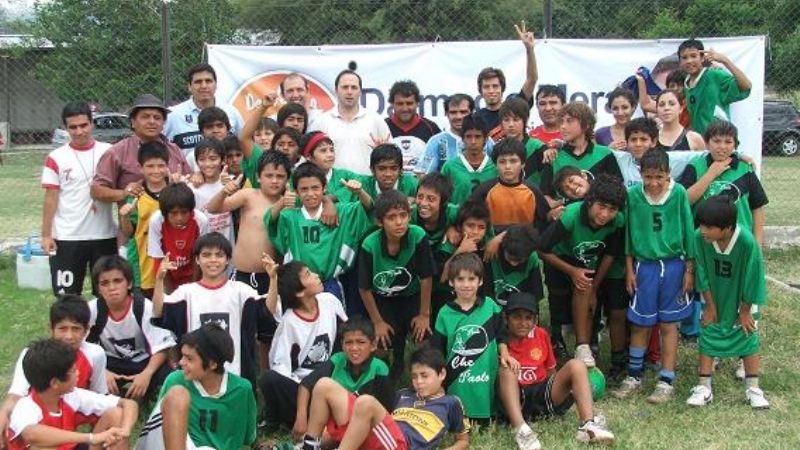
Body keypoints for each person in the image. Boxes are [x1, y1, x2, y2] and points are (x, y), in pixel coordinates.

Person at [614, 148, 696, 403]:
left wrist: (689, 269)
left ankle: (666, 379)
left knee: (669, 325)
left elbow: (688, 231)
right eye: (648, 177)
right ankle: (634, 375)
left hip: (673, 265)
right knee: (641, 323)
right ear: (640, 174)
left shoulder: (678, 193)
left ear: (668, 174)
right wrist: (629, 269)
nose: (654, 182)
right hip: (645, 266)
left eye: (659, 177)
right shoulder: (634, 196)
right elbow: (628, 235)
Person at [151, 232, 273, 385]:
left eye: (219, 255)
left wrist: (273, 279)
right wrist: (159, 280)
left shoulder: (242, 291)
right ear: (197, 259)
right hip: (195, 380)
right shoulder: (186, 293)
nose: (213, 260)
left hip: (235, 377)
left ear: (228, 260)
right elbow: (159, 312)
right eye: (206, 255)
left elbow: (268, 311)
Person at [497, 293, 615, 450]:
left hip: (540, 394)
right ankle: (521, 430)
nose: (523, 323)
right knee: (507, 369)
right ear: (506, 319)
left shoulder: (541, 334)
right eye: (517, 317)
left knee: (577, 365)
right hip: (514, 398)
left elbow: (551, 372)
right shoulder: (499, 340)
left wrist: (566, 392)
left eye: (528, 318)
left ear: (536, 320)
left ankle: (588, 424)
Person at [685, 196, 769, 409]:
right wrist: (711, 307)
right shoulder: (699, 238)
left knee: (748, 336)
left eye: (709, 227)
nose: (703, 231)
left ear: (727, 228)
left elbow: (753, 278)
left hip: (742, 298)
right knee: (708, 332)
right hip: (714, 294)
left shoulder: (747, 242)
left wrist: (745, 311)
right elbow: (702, 272)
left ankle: (753, 389)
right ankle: (704, 387)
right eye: (701, 225)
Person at [299, 346, 470, 450]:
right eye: (414, 376)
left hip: (401, 445)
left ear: (442, 374)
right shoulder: (403, 394)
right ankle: (309, 446)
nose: (418, 382)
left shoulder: (451, 402)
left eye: (424, 376)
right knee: (324, 385)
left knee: (366, 402)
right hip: (376, 436)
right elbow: (367, 419)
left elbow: (463, 441)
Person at [536, 174, 627, 368]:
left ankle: (586, 344)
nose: (605, 214)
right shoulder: (571, 215)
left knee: (587, 289)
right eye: (601, 206)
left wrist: (595, 286)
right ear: (590, 201)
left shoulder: (618, 221)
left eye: (612, 209)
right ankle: (567, 342)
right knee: (561, 298)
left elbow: (610, 254)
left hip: (590, 260)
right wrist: (572, 271)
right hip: (560, 258)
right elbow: (542, 249)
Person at [0, 295, 109, 442]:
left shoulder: (95, 354)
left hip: (74, 409)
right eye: (62, 329)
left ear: (86, 330)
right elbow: (15, 395)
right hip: (39, 418)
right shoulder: (34, 355)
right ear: (51, 329)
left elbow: (99, 393)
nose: (69, 336)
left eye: (76, 329)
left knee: (114, 414)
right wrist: (2, 414)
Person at [135, 324, 257, 450]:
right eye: (182, 356)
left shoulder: (241, 390)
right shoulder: (176, 380)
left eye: (189, 359)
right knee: (178, 394)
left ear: (212, 364)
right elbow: (158, 424)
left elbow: (248, 438)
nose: (181, 362)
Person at [260, 260, 348, 432]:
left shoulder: (330, 301)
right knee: (269, 379)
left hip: (331, 380)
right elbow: (281, 369)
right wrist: (305, 391)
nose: (316, 276)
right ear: (299, 292)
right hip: (301, 387)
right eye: (308, 274)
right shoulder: (289, 323)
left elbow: (348, 333)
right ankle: (277, 419)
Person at [267, 162, 374, 301]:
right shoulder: (289, 217)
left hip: (330, 283)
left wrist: (360, 192)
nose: (310, 194)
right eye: (304, 189)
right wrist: (282, 201)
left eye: (315, 188)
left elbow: (368, 209)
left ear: (325, 188)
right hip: (299, 286)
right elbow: (270, 221)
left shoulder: (341, 212)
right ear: (296, 192)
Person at [6, 339, 138, 450]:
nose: (78, 373)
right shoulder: (25, 406)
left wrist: (125, 431)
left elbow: (128, 403)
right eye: (73, 371)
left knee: (117, 415)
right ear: (55, 383)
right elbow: (31, 434)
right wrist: (92, 438)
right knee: (40, 447)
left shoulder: (72, 396)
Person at [41, 101, 116, 295]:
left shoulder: (109, 152)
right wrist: (46, 235)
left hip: (104, 235)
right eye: (73, 127)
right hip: (67, 237)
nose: (79, 131)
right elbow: (51, 198)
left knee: (107, 296)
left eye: (83, 125)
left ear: (92, 124)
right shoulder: (56, 157)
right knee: (66, 296)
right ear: (65, 128)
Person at [358, 190, 434, 378]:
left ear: (410, 216)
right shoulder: (369, 244)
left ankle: (422, 377)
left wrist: (424, 314)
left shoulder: (418, 236)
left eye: (403, 215)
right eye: (391, 217)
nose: (399, 222)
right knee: (380, 344)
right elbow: (364, 288)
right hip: (382, 299)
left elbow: (426, 277)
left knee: (423, 339)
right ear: (380, 222)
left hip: (412, 296)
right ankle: (384, 379)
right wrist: (377, 322)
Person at [86, 256, 175, 400]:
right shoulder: (91, 310)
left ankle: (150, 397)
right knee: (82, 374)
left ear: (129, 283)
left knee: (170, 380)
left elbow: (162, 347)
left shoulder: (144, 307)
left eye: (117, 281)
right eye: (105, 283)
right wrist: (102, 372)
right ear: (98, 288)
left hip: (143, 361)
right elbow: (82, 348)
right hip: (110, 362)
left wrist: (146, 375)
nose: (112, 288)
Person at [432, 252, 508, 421]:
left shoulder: (490, 306)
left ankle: (489, 413)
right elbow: (437, 351)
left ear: (480, 281)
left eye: (471, 279)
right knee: (460, 417)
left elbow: (502, 335)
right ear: (451, 282)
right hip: (457, 380)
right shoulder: (445, 313)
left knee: (486, 419)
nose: (466, 284)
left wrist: (505, 353)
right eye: (460, 279)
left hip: (486, 378)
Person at [293, 318, 394, 441]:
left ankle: (310, 442)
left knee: (324, 436)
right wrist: (301, 418)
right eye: (349, 342)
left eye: (361, 342)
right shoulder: (337, 360)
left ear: (373, 345)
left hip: (363, 425)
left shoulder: (379, 369)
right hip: (332, 420)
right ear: (342, 345)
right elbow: (306, 384)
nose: (354, 348)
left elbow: (387, 410)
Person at [206, 150, 290, 296]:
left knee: (270, 311)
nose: (274, 181)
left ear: (287, 179)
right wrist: (224, 191)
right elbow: (213, 208)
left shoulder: (289, 204)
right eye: (269, 175)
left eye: (280, 176)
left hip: (273, 276)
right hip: (242, 274)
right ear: (258, 176)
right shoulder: (249, 195)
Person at [680, 120, 768, 246]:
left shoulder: (745, 169)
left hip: (739, 242)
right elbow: (684, 200)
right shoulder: (695, 166)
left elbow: (757, 207)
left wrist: (757, 243)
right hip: (703, 242)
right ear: (707, 143)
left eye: (728, 142)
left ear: (735, 145)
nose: (722, 146)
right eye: (717, 141)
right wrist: (710, 174)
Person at [91, 94, 191, 205]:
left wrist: (184, 181)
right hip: (134, 215)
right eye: (145, 117)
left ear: (163, 123)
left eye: (157, 118)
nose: (152, 121)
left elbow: (190, 179)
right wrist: (124, 193)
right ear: (133, 122)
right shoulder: (117, 153)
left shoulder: (174, 150)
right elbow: (96, 191)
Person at [537, 102, 623, 204]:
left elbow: (618, 189)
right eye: (561, 122)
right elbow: (545, 194)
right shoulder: (554, 156)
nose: (563, 126)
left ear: (586, 125)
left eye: (569, 121)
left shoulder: (605, 154)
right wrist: (556, 207)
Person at [310, 70, 392, 175]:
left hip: (367, 182)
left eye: (354, 87)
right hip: (333, 183)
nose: (349, 92)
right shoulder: (321, 121)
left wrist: (383, 152)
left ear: (360, 91)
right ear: (336, 90)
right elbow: (310, 157)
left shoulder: (375, 120)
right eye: (345, 87)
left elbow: (392, 156)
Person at [117, 142, 170, 295]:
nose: (156, 171)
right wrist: (124, 217)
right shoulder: (136, 196)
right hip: (143, 265)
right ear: (140, 168)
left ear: (167, 166)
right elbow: (129, 233)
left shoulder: (176, 191)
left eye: (161, 166)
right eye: (150, 166)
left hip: (172, 263)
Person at [164, 63, 244, 166]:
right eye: (198, 82)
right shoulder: (173, 115)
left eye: (208, 81)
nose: (204, 86)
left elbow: (244, 143)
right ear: (189, 87)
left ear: (216, 85)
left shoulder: (232, 112)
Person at [474, 21, 538, 138]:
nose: (491, 90)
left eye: (495, 86)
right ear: (480, 91)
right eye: (486, 87)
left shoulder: (515, 106)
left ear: (502, 88)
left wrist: (529, 50)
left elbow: (532, 79)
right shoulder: (475, 118)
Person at [470, 139, 549, 234]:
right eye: (502, 162)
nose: (507, 166)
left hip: (525, 241)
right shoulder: (484, 191)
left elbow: (543, 224)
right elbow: (471, 219)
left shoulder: (533, 191)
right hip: (492, 241)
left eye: (513, 161)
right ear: (496, 165)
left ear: (523, 164)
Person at [677, 39, 751, 135]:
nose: (689, 61)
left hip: (720, 138)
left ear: (702, 58)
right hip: (700, 141)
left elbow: (746, 86)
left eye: (693, 56)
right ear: (680, 62)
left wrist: (725, 61)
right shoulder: (687, 83)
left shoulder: (714, 75)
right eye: (684, 57)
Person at [147, 183, 210, 291]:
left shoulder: (201, 220)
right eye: (173, 213)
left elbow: (200, 257)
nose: (179, 218)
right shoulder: (156, 221)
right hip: (167, 276)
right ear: (165, 213)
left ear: (191, 210)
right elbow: (159, 259)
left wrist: (193, 288)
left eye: (184, 212)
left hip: (194, 274)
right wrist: (172, 294)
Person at [415, 93, 493, 175]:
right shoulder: (436, 141)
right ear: (446, 114)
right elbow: (422, 174)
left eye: (463, 112)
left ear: (472, 112)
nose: (458, 117)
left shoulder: (487, 141)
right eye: (453, 112)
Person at [385, 80, 441, 173]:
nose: (405, 108)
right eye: (400, 104)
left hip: (424, 182)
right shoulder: (382, 127)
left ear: (417, 103)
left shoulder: (431, 128)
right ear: (392, 104)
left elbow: (441, 162)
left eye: (409, 103)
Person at [441, 114, 497, 204]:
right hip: (458, 213)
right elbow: (442, 198)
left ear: (486, 138)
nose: (473, 142)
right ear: (462, 138)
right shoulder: (450, 167)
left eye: (477, 136)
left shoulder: (495, 167)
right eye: (468, 136)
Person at [189, 138, 234, 244]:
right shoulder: (191, 189)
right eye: (202, 159)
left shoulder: (232, 182)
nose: (208, 164)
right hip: (203, 248)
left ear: (223, 160)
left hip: (230, 247)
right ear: (196, 162)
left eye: (213, 159)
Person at [488, 224, 543, 307]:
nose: (513, 263)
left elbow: (535, 295)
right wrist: (495, 240)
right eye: (510, 258)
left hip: (519, 308)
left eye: (519, 260)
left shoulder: (532, 258)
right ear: (504, 247)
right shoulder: (492, 251)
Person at [300, 131, 362, 203]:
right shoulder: (299, 178)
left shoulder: (346, 175)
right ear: (309, 156)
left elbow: (360, 183)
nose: (330, 155)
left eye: (332, 150)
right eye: (323, 151)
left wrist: (334, 197)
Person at [496, 97, 546, 185]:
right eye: (506, 120)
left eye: (516, 119)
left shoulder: (538, 148)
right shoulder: (497, 149)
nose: (511, 125)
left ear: (525, 121)